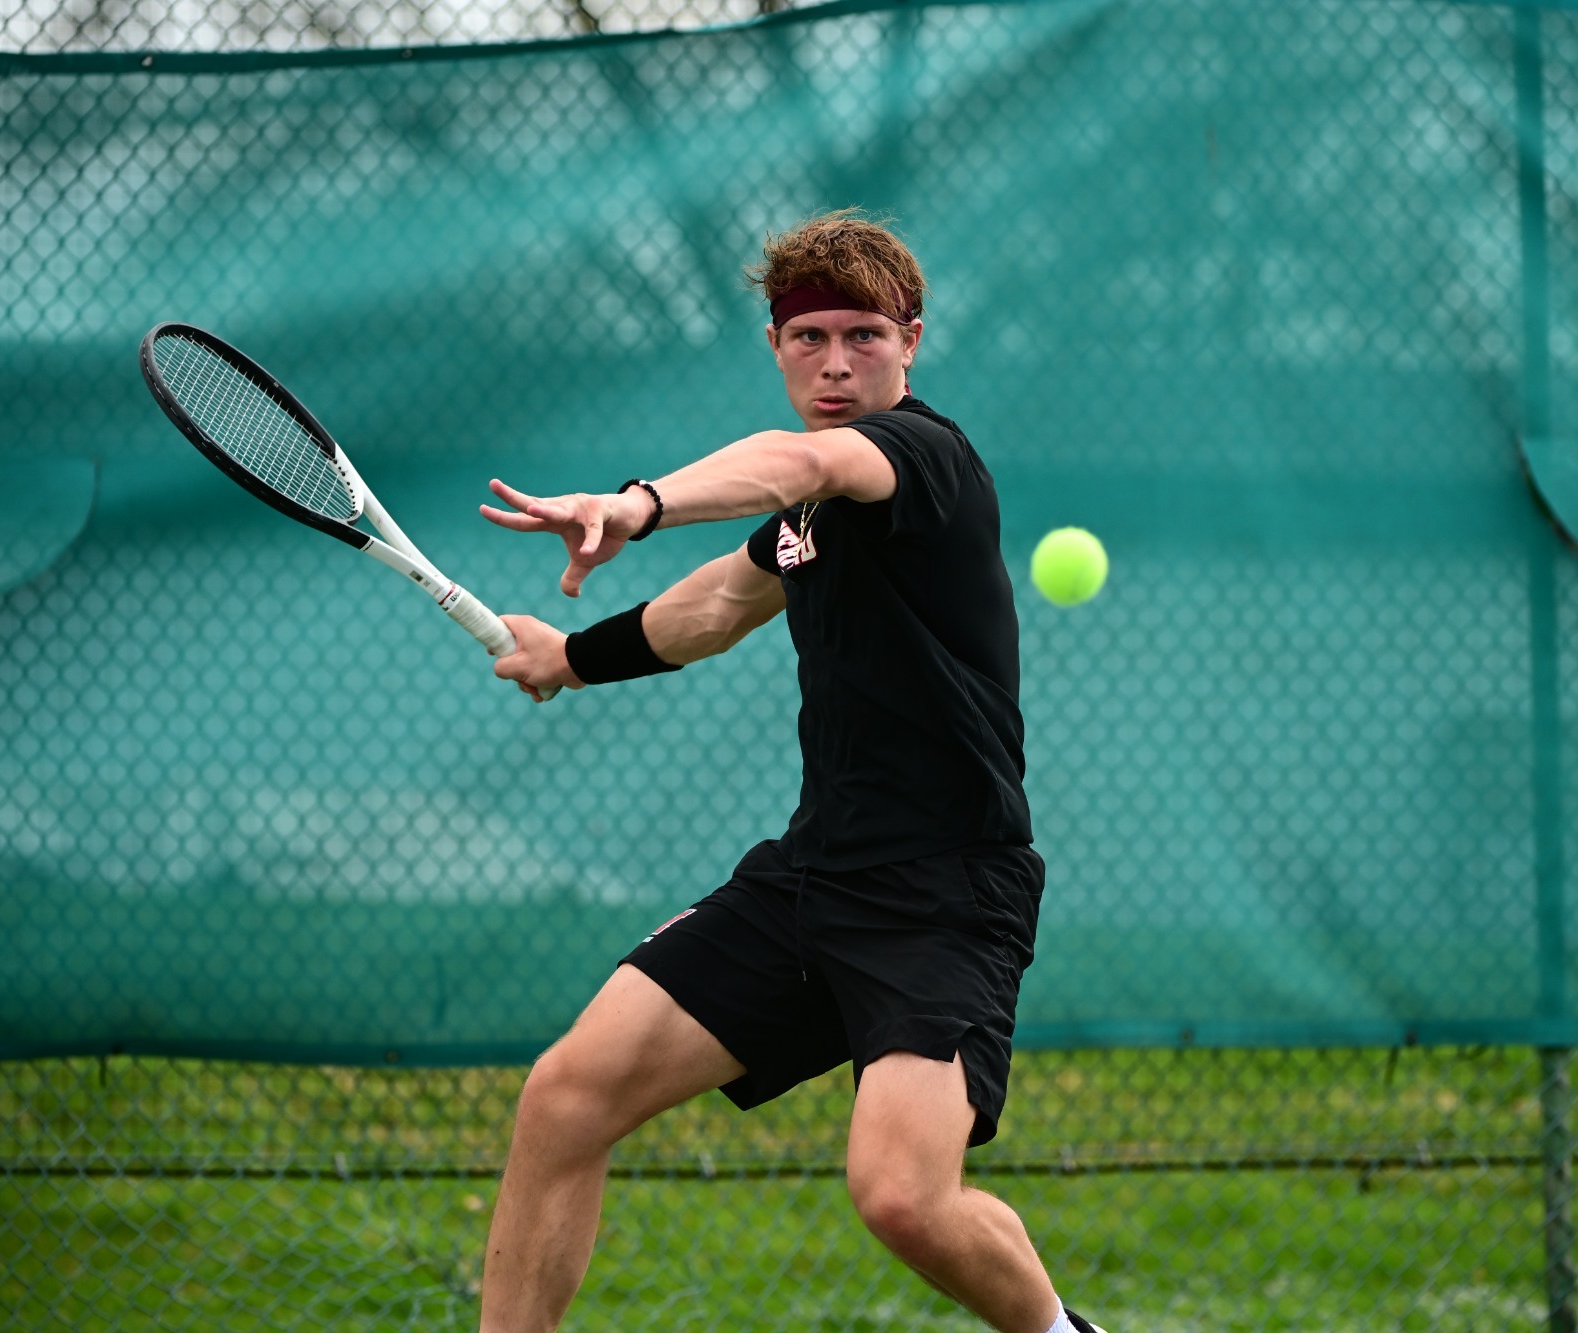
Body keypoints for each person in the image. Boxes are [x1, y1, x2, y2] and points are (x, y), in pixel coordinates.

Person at [474, 210, 1105, 1333]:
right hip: (808, 880)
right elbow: (718, 603)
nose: (833, 362)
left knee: (905, 1198)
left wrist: (634, 503)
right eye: (806, 338)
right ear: (775, 348)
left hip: (942, 895)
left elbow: (799, 461)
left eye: (861, 335)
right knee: (566, 1096)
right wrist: (568, 657)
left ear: (910, 341)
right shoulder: (807, 521)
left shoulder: (920, 456)